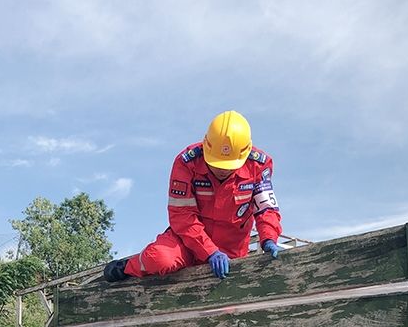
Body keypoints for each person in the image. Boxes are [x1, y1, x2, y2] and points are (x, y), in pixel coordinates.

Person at [103, 110, 283, 282]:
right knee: (159, 259)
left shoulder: (258, 165)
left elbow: (266, 209)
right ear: (206, 147)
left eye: (228, 165)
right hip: (187, 242)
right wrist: (210, 251)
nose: (222, 170)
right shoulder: (186, 163)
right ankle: (127, 267)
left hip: (232, 249)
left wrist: (269, 239)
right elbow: (182, 216)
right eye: (217, 163)